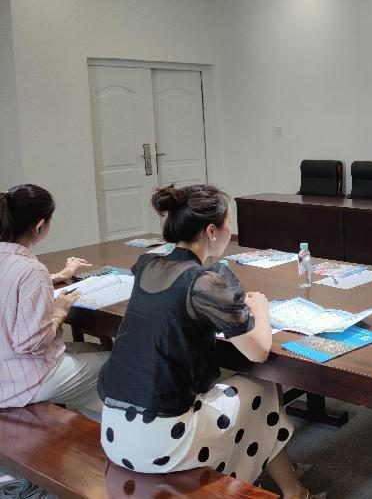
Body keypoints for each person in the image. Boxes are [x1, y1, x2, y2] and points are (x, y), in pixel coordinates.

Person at [97, 185, 319, 499]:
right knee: (262, 388)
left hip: (114, 431)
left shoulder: (148, 264)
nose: (231, 231)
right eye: (228, 224)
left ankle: (286, 481)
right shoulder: (203, 282)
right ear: (212, 231)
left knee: (236, 390)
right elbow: (258, 351)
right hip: (160, 442)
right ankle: (289, 489)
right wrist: (261, 309)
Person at [0, 184, 107, 419]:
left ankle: (92, 425)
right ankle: (112, 432)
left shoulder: (19, 265)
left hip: (7, 368)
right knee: (117, 363)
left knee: (96, 350)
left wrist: (56, 276)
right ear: (40, 225)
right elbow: (30, 343)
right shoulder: (30, 270)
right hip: (22, 380)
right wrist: (59, 312)